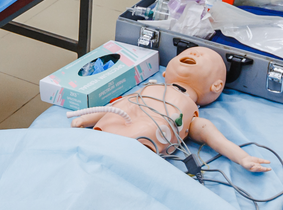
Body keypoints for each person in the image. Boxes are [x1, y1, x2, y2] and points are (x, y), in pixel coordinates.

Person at [70, 47, 272, 172]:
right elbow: (119, 106)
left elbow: (216, 140)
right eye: (186, 53)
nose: (194, 53)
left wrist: (242, 157)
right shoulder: (146, 90)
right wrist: (87, 119)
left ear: (216, 86)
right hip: (102, 136)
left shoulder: (191, 116)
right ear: (166, 72)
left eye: (203, 57)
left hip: (135, 151)